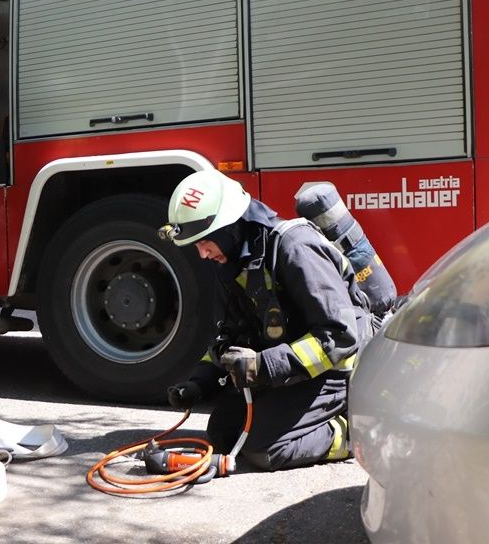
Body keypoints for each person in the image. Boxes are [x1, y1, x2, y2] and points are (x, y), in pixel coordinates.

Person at [159, 169, 373, 470]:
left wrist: (265, 366)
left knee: (266, 448)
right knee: (224, 433)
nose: (203, 254)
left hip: (337, 369)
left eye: (205, 242)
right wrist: (199, 383)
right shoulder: (236, 264)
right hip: (295, 370)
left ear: (230, 228)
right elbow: (230, 337)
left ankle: (355, 436)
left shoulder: (295, 248)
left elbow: (340, 336)